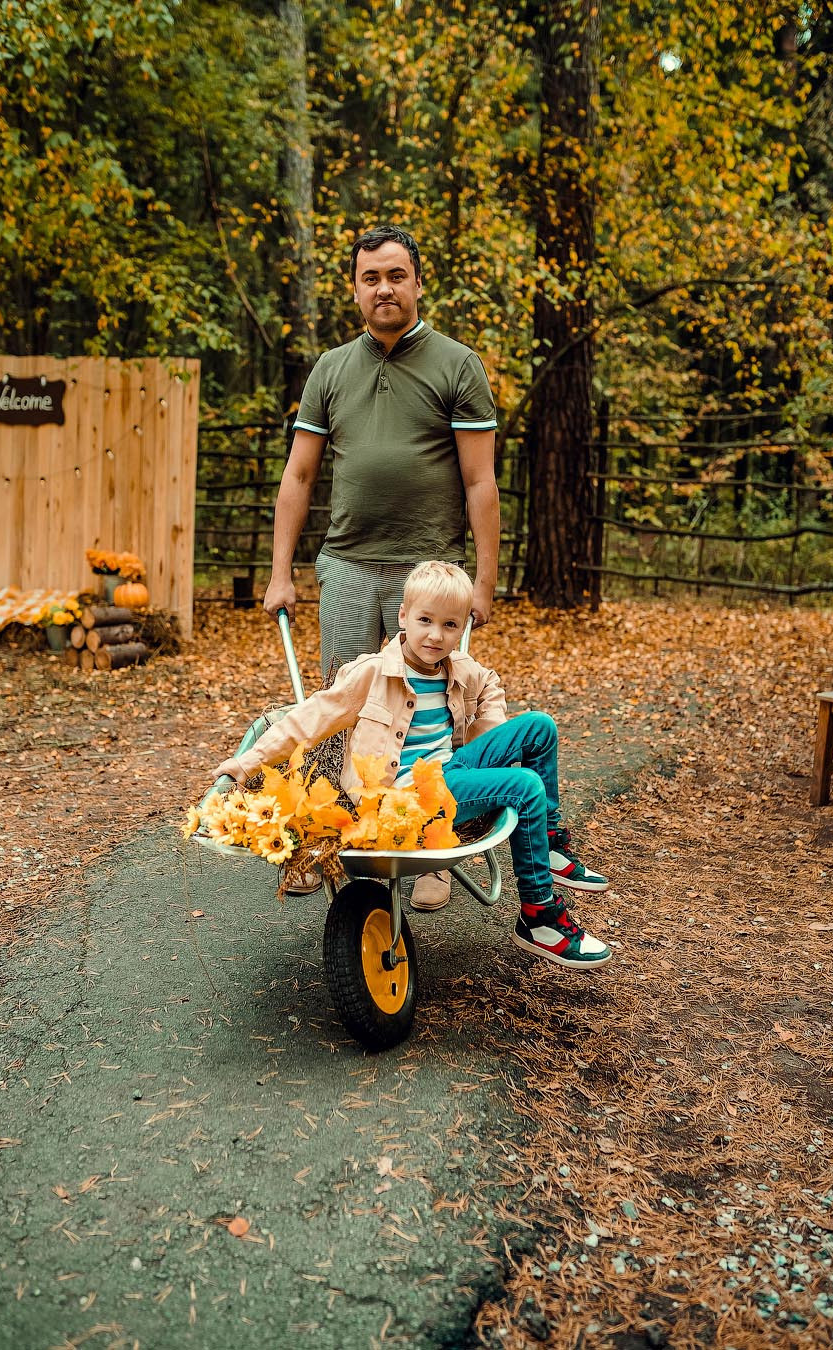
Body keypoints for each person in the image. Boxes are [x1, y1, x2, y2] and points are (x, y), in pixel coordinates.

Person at [262, 223, 501, 909]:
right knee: (340, 709)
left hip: (427, 571)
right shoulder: (332, 369)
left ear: (419, 282)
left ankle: (428, 851)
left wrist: (482, 582)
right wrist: (282, 573)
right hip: (347, 565)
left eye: (396, 275)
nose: (385, 288)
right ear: (356, 289)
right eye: (372, 278)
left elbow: (480, 481)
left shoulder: (457, 365)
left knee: (426, 711)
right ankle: (320, 843)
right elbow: (299, 476)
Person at [214, 562, 611, 971]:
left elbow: (490, 685)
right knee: (525, 785)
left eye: (450, 625)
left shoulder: (457, 669)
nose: (436, 636)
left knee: (539, 727)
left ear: (461, 630)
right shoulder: (371, 674)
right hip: (403, 800)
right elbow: (307, 719)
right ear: (403, 617)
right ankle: (539, 918)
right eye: (425, 620)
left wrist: (487, 737)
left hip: (449, 776)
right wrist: (244, 766)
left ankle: (551, 843)